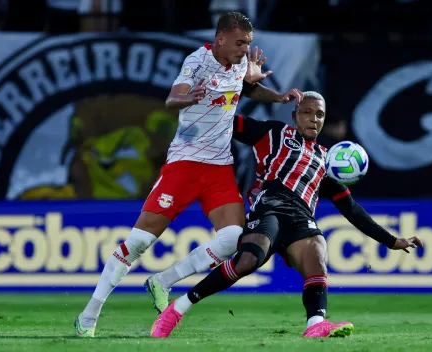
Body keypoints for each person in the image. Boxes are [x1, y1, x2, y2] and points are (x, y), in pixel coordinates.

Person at [74, 11, 302, 337]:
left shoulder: (239, 64)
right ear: (221, 38)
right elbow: (171, 98)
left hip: (219, 168)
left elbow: (245, 89)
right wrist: (188, 96)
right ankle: (89, 315)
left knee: (233, 238)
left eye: (247, 43)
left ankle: (163, 280)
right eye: (239, 42)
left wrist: (275, 95)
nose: (243, 48)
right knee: (138, 242)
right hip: (185, 165)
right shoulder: (197, 61)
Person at [150, 91, 424, 338]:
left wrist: (391, 241)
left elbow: (350, 209)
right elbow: (226, 121)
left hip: (301, 217)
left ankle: (315, 324)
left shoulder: (327, 160)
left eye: (319, 114)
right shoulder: (273, 133)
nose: (313, 119)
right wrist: (226, 92)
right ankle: (177, 308)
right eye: (306, 112)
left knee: (317, 249)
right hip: (269, 205)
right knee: (248, 261)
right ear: (295, 115)